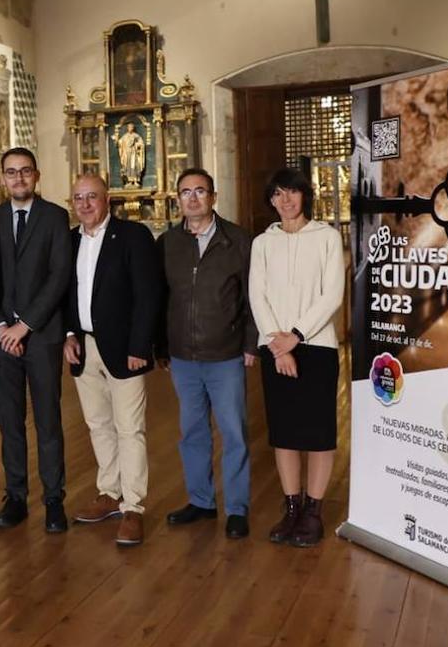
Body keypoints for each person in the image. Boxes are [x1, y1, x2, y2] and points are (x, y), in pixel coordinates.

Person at [156, 168, 257, 540]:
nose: (193, 198)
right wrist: (161, 346)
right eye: (186, 192)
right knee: (192, 432)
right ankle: (201, 500)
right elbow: (161, 299)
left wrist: (250, 344)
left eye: (200, 191)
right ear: (178, 199)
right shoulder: (168, 243)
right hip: (183, 357)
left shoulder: (239, 241)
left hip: (226, 354)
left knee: (233, 433)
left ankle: (237, 508)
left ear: (213, 197)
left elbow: (252, 298)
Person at [249, 167, 345, 547]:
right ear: (270, 200)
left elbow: (332, 294)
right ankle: (291, 508)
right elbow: (258, 296)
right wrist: (278, 343)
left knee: (319, 434)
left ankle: (314, 510)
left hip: (316, 346)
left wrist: (297, 337)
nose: (285, 200)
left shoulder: (326, 237)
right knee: (285, 433)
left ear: (305, 195)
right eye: (277, 194)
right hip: (274, 346)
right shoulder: (263, 243)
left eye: (292, 192)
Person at [63, 174, 158, 546]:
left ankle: (133, 506)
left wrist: (140, 346)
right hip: (83, 346)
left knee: (129, 427)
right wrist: (68, 334)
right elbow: (65, 292)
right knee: (98, 424)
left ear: (107, 199)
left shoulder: (133, 237)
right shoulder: (69, 241)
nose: (85, 204)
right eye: (78, 198)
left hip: (123, 349)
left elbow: (147, 295)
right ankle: (109, 493)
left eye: (92, 197)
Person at [0, 148, 71, 533]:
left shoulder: (55, 217)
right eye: (11, 173)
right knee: (9, 421)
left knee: (48, 420)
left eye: (24, 172)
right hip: (2, 338)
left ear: (37, 175)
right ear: (2, 178)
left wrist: (27, 325)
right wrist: (3, 326)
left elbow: (59, 276)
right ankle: (15, 496)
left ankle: (54, 499)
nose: (18, 179)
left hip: (42, 335)